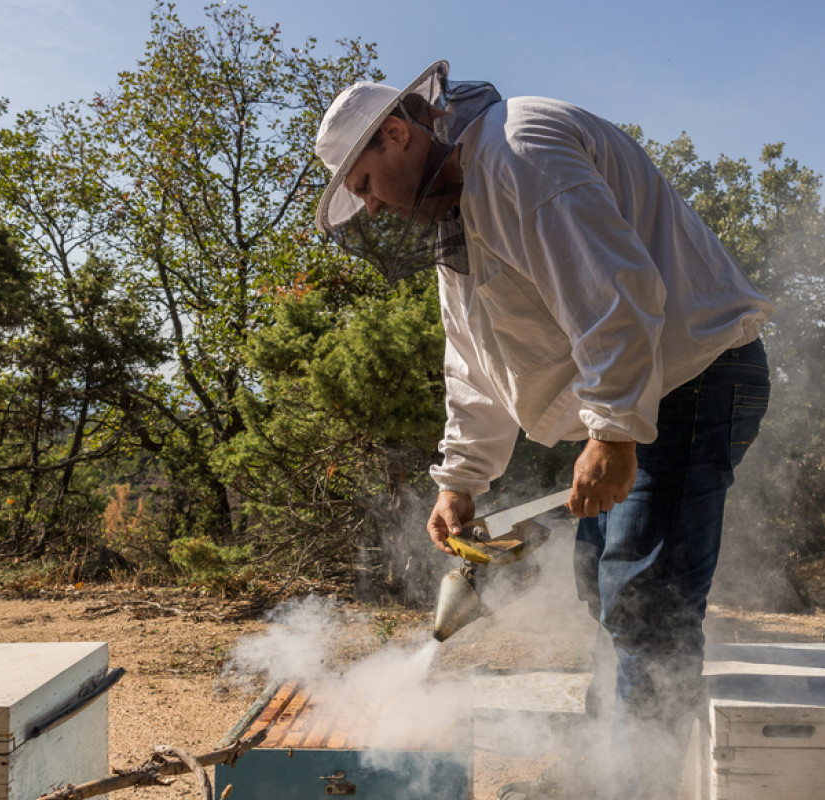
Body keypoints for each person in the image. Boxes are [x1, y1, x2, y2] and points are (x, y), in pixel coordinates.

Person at [314, 61, 774, 798]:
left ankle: (636, 786)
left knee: (645, 606)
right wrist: (461, 479)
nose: (369, 207)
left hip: (687, 382)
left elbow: (616, 289)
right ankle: (606, 770)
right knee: (603, 587)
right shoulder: (459, 214)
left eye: (364, 185)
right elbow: (475, 365)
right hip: (639, 398)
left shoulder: (518, 151)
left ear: (396, 135)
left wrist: (616, 431)